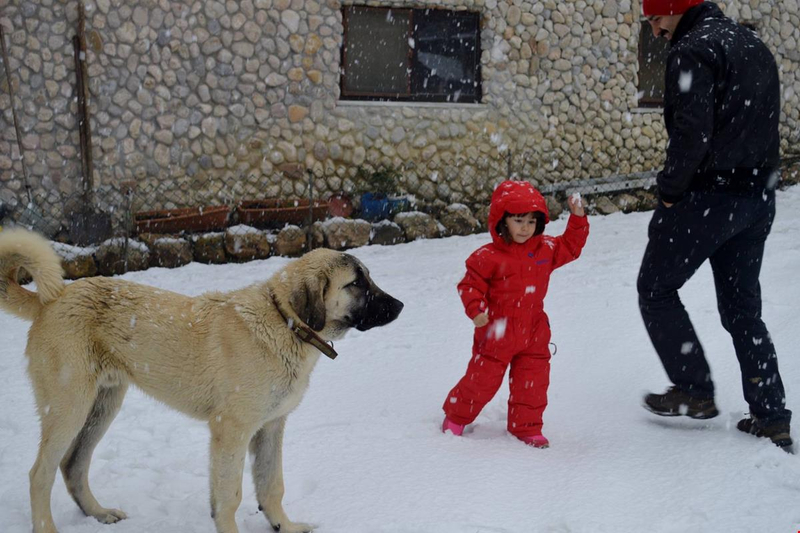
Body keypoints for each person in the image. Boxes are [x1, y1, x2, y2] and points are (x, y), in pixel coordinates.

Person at [638, 0, 792, 451]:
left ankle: (695, 390)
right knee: (744, 310)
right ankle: (771, 416)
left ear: (674, 9)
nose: (655, 29)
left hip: (707, 197)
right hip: (757, 198)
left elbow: (692, 134)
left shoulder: (693, 49)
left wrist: (670, 189)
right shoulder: (753, 44)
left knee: (655, 287)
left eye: (655, 18)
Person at [441, 180, 589, 448]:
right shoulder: (488, 256)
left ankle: (527, 427)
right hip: (497, 331)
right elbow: (470, 284)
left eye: (531, 222)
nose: (525, 228)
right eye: (518, 220)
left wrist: (577, 218)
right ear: (502, 221)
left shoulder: (544, 249)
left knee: (532, 383)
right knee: (481, 382)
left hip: (534, 331)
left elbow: (570, 246)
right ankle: (457, 416)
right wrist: (477, 310)